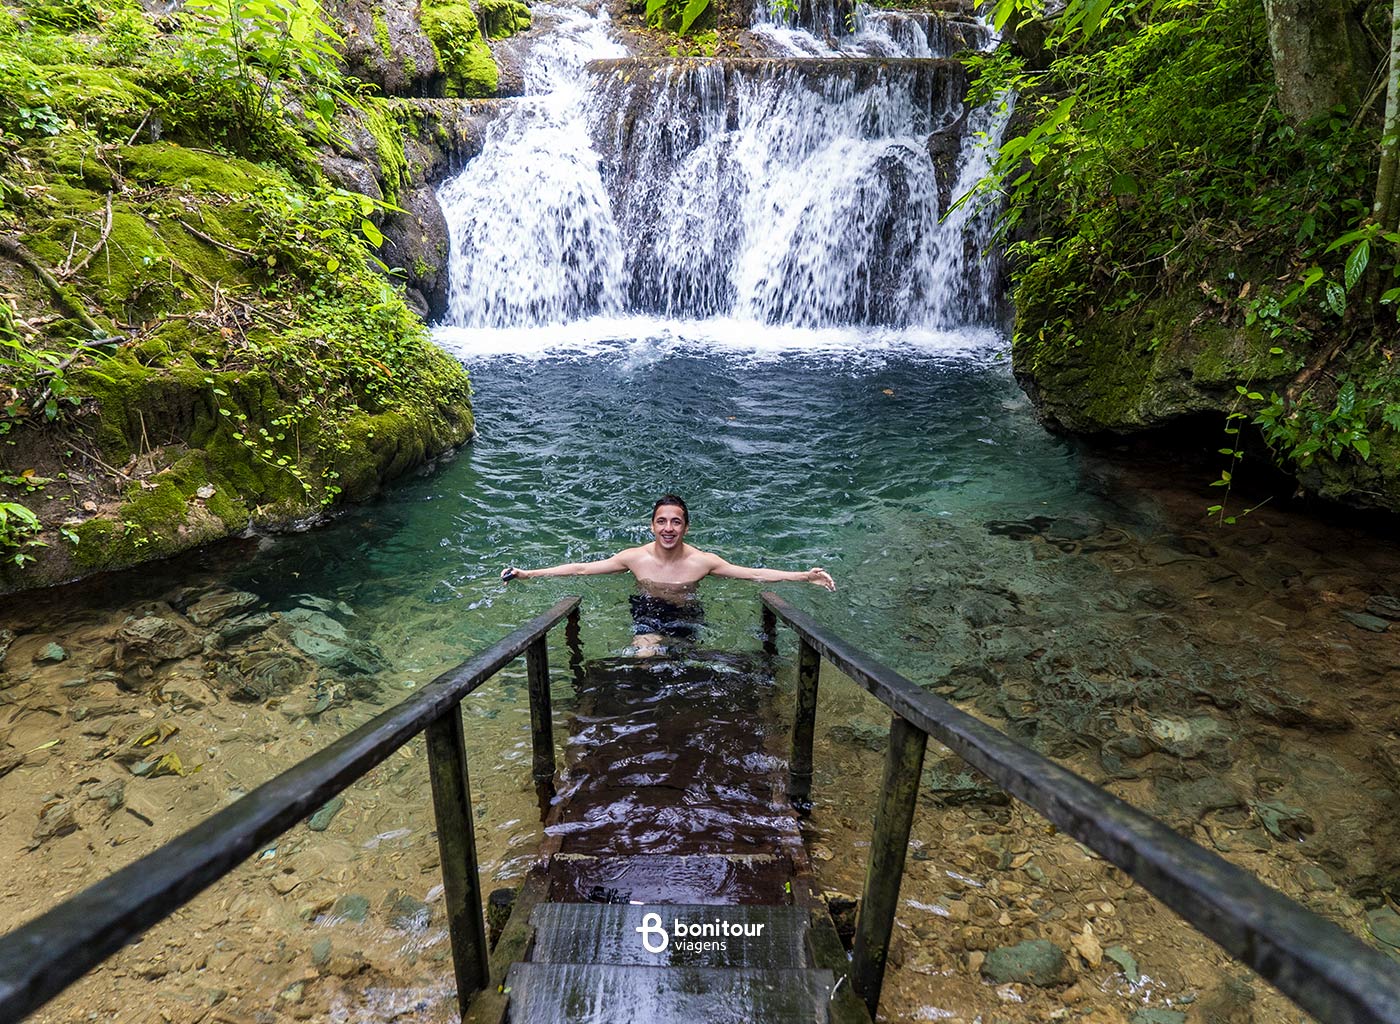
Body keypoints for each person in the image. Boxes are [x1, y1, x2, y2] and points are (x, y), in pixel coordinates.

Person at [502, 495, 835, 654]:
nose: (668, 528)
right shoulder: (635, 558)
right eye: (662, 521)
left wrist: (804, 576)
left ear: (686, 527)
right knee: (644, 657)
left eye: (676, 521)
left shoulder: (702, 562)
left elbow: (752, 574)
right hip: (647, 611)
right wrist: (530, 574)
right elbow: (583, 568)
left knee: (686, 661)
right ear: (652, 526)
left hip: (688, 613)